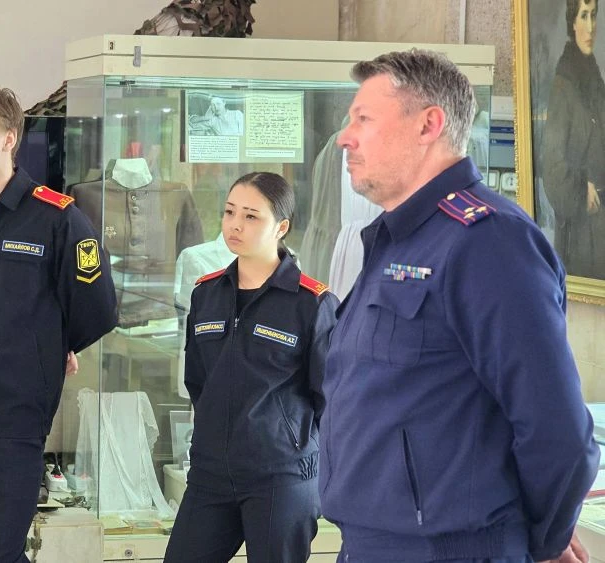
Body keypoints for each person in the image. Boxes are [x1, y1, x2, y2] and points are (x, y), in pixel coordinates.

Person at [321, 49, 599, 563]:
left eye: (363, 119)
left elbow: (556, 429)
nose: (345, 137)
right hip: (373, 544)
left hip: (452, 549)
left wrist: (543, 540)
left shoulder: (487, 241)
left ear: (428, 125)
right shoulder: (398, 239)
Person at [0, 84, 118, 563]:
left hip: (15, 423)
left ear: (9, 138)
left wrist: (51, 345)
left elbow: (96, 308)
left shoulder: (58, 219)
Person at [164, 172, 338, 563]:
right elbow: (198, 381)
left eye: (251, 216)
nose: (235, 225)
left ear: (281, 227)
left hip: (280, 476)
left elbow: (330, 398)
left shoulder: (311, 303)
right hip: (211, 474)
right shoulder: (206, 294)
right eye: (229, 212)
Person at [542, 0, 605, 279]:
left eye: (594, 15)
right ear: (572, 23)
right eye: (583, 16)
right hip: (580, 237)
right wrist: (582, 191)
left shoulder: (594, 79)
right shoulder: (563, 86)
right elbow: (552, 168)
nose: (590, 27)